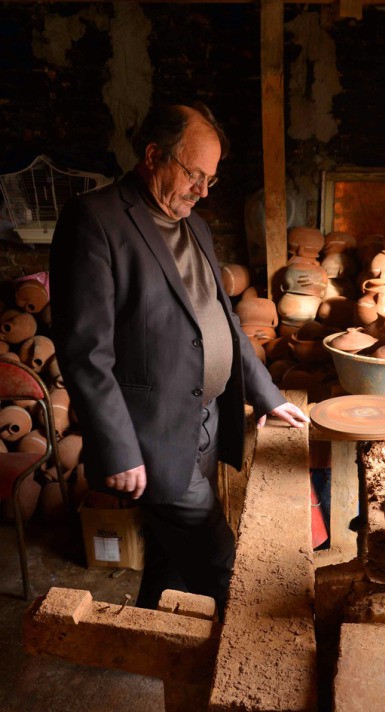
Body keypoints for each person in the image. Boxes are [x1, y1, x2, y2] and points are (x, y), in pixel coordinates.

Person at [49, 103, 309, 617]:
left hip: (207, 419)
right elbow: (85, 352)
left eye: (211, 179)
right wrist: (119, 447)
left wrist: (267, 397)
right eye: (195, 175)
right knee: (221, 561)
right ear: (153, 156)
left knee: (170, 552)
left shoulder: (196, 227)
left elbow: (226, 324)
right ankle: (255, 650)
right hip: (153, 434)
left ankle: (149, 622)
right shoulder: (95, 220)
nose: (204, 190)